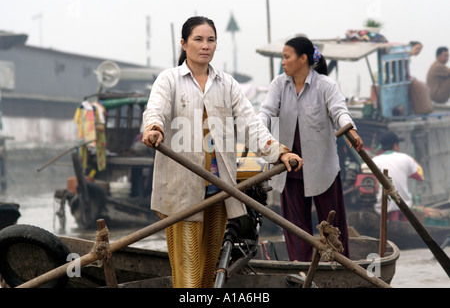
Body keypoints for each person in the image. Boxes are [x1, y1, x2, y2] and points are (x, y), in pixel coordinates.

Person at [141, 16, 302, 288]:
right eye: (198, 39)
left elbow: (251, 124)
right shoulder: (169, 79)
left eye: (211, 40)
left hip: (219, 187)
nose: (205, 46)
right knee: (188, 266)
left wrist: (280, 153)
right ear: (184, 43)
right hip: (183, 186)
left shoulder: (226, 83)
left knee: (210, 265)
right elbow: (155, 108)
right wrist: (154, 128)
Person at [258, 36, 363, 262]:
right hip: (289, 167)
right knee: (296, 229)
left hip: (321, 168)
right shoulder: (279, 84)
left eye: (287, 57)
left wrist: (350, 130)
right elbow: (266, 112)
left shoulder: (325, 85)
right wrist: (256, 130)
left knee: (333, 229)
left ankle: (340, 269)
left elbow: (339, 111)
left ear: (303, 59)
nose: (283, 62)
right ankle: (302, 269)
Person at [373, 131, 424, 221]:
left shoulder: (374, 161)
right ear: (395, 145)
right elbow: (420, 176)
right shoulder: (406, 158)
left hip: (381, 210)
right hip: (404, 209)